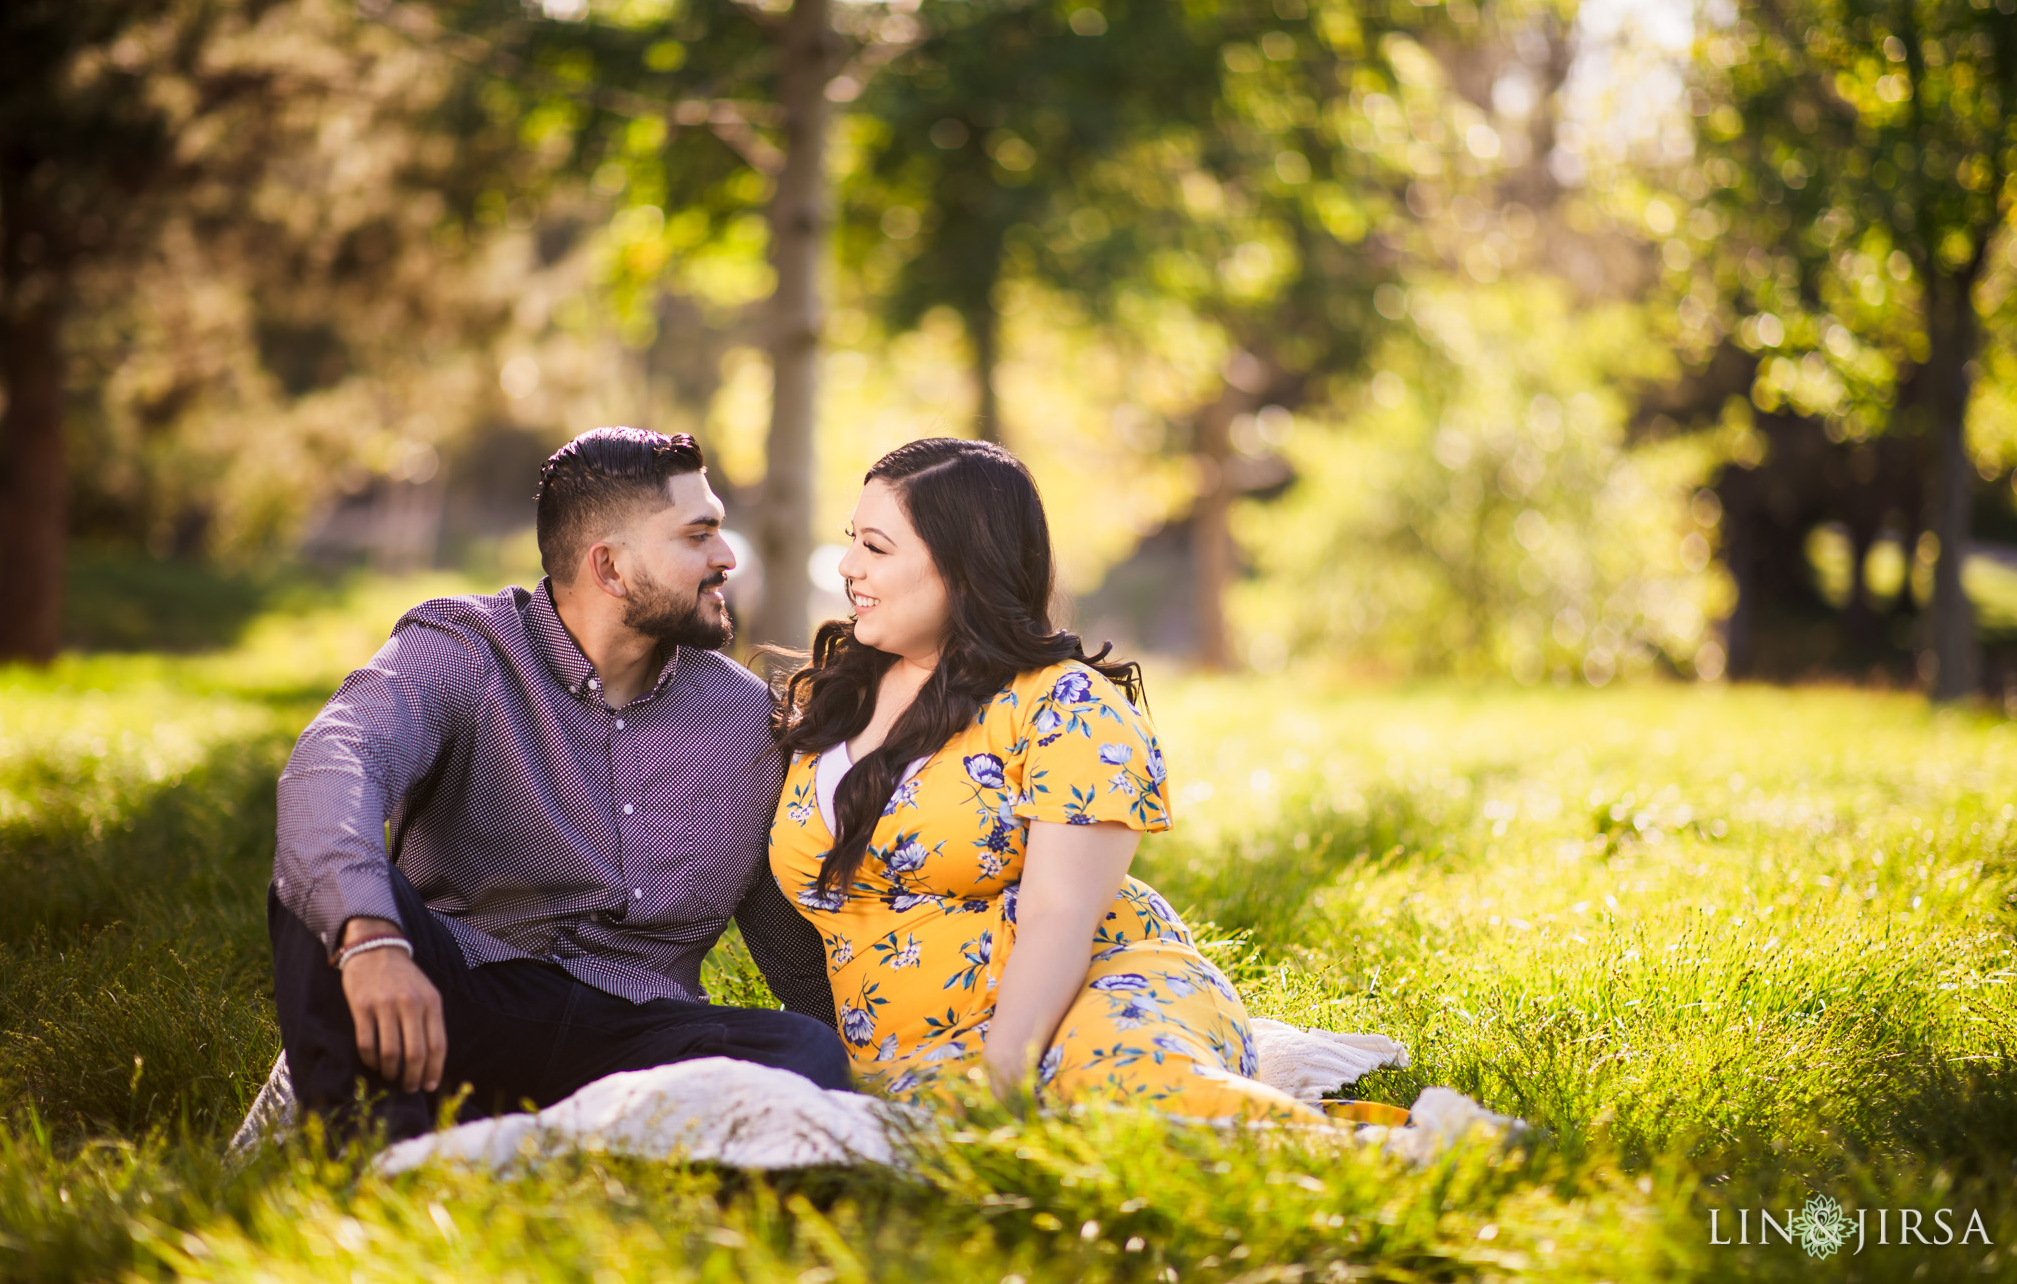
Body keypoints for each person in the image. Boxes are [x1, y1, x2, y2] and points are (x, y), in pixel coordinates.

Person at [767, 438, 1411, 1125]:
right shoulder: (837, 698)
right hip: (908, 1057)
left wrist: (1001, 1082)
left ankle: (1412, 1157)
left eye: (875, 546)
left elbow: (1059, 913)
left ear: (963, 565)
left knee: (1120, 1097)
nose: (846, 566)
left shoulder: (1062, 706)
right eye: (851, 541)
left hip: (1095, 992)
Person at [270, 427, 849, 1144]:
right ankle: (379, 1163)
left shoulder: (747, 723)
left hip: (636, 1039)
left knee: (803, 1054)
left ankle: (522, 1148)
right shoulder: (465, 649)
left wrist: (900, 1059)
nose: (727, 558)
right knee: (331, 888)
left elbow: (798, 953)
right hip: (462, 1003)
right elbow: (336, 759)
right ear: (608, 565)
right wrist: (371, 941)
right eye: (699, 535)